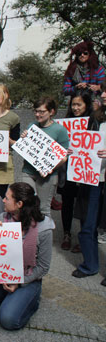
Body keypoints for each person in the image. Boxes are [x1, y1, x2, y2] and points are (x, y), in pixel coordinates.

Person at [0, 182, 55, 330]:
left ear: (19, 204)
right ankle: (4, 297)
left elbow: (43, 267)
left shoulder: (44, 228)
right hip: (0, 274)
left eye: (7, 198)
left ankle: (31, 301)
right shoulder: (2, 217)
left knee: (8, 321)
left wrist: (19, 283)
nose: (3, 200)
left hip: (27, 278)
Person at [72, 84, 106, 286]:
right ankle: (90, 265)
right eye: (102, 91)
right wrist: (74, 153)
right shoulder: (96, 117)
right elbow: (84, 143)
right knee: (88, 224)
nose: (102, 95)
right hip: (92, 179)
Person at [20, 97, 69, 220]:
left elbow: (64, 156)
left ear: (51, 112)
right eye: (36, 111)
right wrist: (24, 138)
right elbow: (27, 148)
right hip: (28, 171)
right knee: (25, 204)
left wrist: (50, 168)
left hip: (47, 176)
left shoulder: (60, 130)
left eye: (42, 111)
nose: (37, 114)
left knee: (43, 209)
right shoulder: (32, 125)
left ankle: (44, 237)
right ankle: (27, 235)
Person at [56, 90, 93, 251]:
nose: (76, 108)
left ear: (87, 105)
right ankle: (66, 234)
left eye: (79, 104)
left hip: (85, 169)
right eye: (73, 104)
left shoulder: (93, 122)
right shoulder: (65, 123)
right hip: (67, 170)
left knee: (84, 204)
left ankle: (82, 237)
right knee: (67, 203)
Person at [63, 41, 105, 107]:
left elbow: (103, 88)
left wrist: (97, 87)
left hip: (94, 100)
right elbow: (65, 90)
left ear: (90, 54)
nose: (82, 55)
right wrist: (76, 87)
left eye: (85, 53)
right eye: (79, 54)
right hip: (77, 101)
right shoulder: (71, 70)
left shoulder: (98, 69)